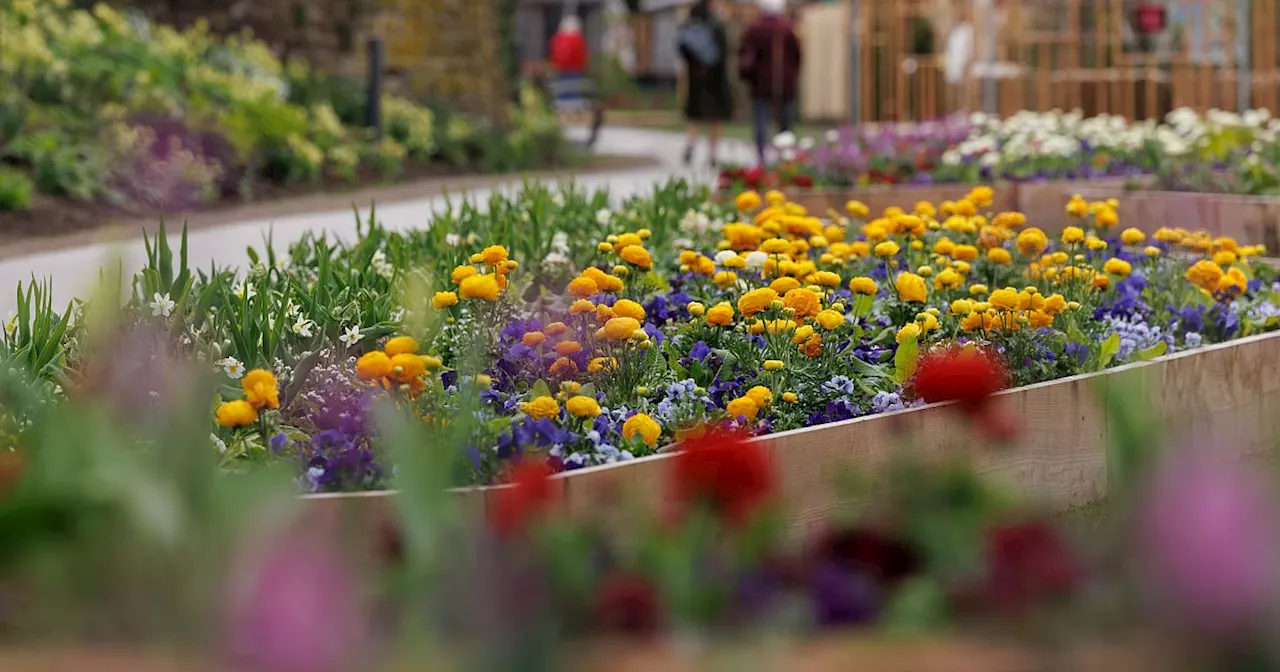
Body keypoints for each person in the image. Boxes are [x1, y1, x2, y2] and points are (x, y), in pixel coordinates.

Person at [738, 0, 801, 166]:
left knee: (761, 120)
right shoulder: (786, 29)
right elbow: (796, 55)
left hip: (760, 84)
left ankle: (762, 155)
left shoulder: (754, 29)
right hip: (784, 83)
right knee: (785, 122)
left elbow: (744, 53)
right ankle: (785, 155)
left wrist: (749, 77)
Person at [677, 0, 732, 167]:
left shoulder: (690, 24)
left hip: (696, 78)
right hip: (715, 79)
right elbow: (724, 51)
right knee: (715, 118)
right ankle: (713, 154)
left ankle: (690, 144)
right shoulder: (717, 25)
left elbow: (682, 48)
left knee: (695, 116)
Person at [549, 15, 590, 111]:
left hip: (561, 69)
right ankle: (575, 105)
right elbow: (583, 54)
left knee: (562, 87)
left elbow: (554, 53)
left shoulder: (557, 38)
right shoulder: (579, 39)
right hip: (576, 69)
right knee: (574, 88)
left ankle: (561, 105)